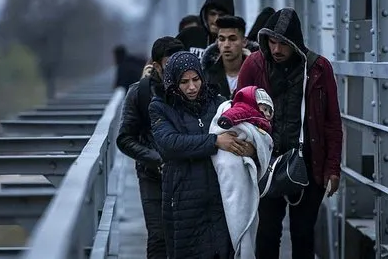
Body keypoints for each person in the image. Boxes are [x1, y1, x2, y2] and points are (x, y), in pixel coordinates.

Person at [236, 7, 343, 259]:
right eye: (271, 42)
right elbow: (238, 109)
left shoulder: (318, 68)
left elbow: (332, 122)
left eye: (282, 43)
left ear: (295, 42)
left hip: (307, 164)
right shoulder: (254, 64)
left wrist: (333, 168)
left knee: (303, 234)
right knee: (267, 234)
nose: (276, 49)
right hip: (267, 163)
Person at [149, 51, 253, 259]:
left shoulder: (218, 102)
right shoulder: (160, 107)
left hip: (220, 199)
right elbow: (169, 144)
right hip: (183, 202)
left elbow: (241, 132)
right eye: (184, 82)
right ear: (172, 83)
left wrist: (249, 149)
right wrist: (214, 141)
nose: (192, 87)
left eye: (196, 79)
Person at [116, 36, 185, 259]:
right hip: (152, 176)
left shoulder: (190, 89)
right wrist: (156, 159)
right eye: (169, 64)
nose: (175, 69)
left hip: (186, 174)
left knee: (184, 238)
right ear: (156, 65)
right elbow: (125, 139)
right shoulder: (139, 92)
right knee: (158, 237)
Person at [209, 86, 275, 258]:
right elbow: (233, 116)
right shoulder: (242, 109)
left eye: (269, 111)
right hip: (227, 161)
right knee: (237, 209)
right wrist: (226, 123)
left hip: (242, 164)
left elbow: (265, 141)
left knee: (243, 212)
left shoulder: (260, 121)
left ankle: (243, 246)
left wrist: (256, 145)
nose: (266, 114)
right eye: (264, 109)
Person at [201, 15, 259, 99]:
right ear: (217, 42)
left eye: (232, 39)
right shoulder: (207, 76)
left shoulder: (257, 74)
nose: (226, 45)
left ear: (244, 42)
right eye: (222, 39)